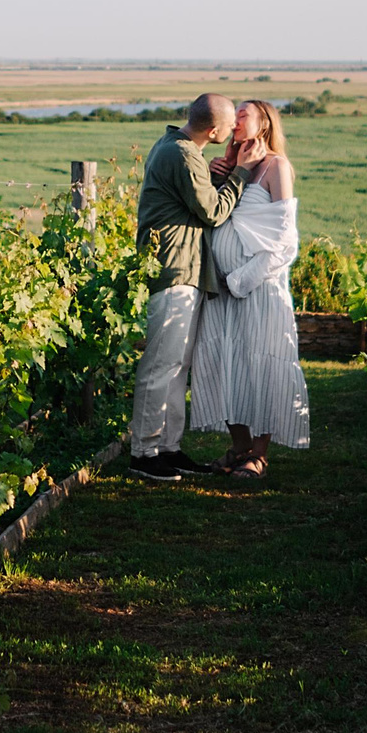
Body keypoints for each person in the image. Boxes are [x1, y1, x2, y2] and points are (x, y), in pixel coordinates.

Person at [127, 93, 246, 482]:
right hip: (174, 269)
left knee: (177, 366)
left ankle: (168, 448)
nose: (232, 132)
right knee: (161, 364)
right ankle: (144, 453)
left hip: (185, 268)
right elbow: (212, 211)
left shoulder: (177, 147)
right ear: (213, 130)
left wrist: (214, 175)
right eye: (229, 126)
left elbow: (193, 197)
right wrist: (240, 174)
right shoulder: (181, 154)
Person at [191, 99, 311, 479]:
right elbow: (211, 216)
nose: (234, 121)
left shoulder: (277, 167)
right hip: (219, 289)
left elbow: (284, 240)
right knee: (224, 365)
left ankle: (258, 455)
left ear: (263, 126)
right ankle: (238, 448)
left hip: (257, 287)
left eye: (243, 115)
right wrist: (216, 176)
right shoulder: (228, 168)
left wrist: (241, 279)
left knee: (261, 363)